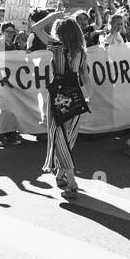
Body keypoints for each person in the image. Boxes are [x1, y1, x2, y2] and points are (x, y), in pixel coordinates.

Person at [31, 10, 88, 200]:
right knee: (68, 137)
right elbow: (85, 77)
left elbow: (35, 28)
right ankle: (61, 173)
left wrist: (54, 15)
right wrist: (90, 97)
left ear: (60, 32)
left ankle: (71, 182)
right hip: (77, 96)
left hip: (58, 95)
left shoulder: (56, 47)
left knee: (58, 137)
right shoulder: (81, 52)